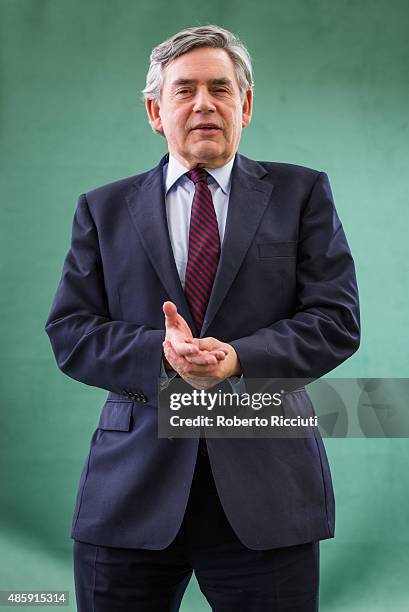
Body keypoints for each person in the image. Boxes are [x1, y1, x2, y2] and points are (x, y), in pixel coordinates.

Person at [45, 24, 360, 612]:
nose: (203, 104)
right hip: (131, 491)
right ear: (154, 111)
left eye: (220, 88)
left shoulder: (302, 194)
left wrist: (239, 359)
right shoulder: (102, 207)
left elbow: (335, 320)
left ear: (245, 105)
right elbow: (71, 331)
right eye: (184, 90)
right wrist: (161, 358)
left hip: (267, 494)